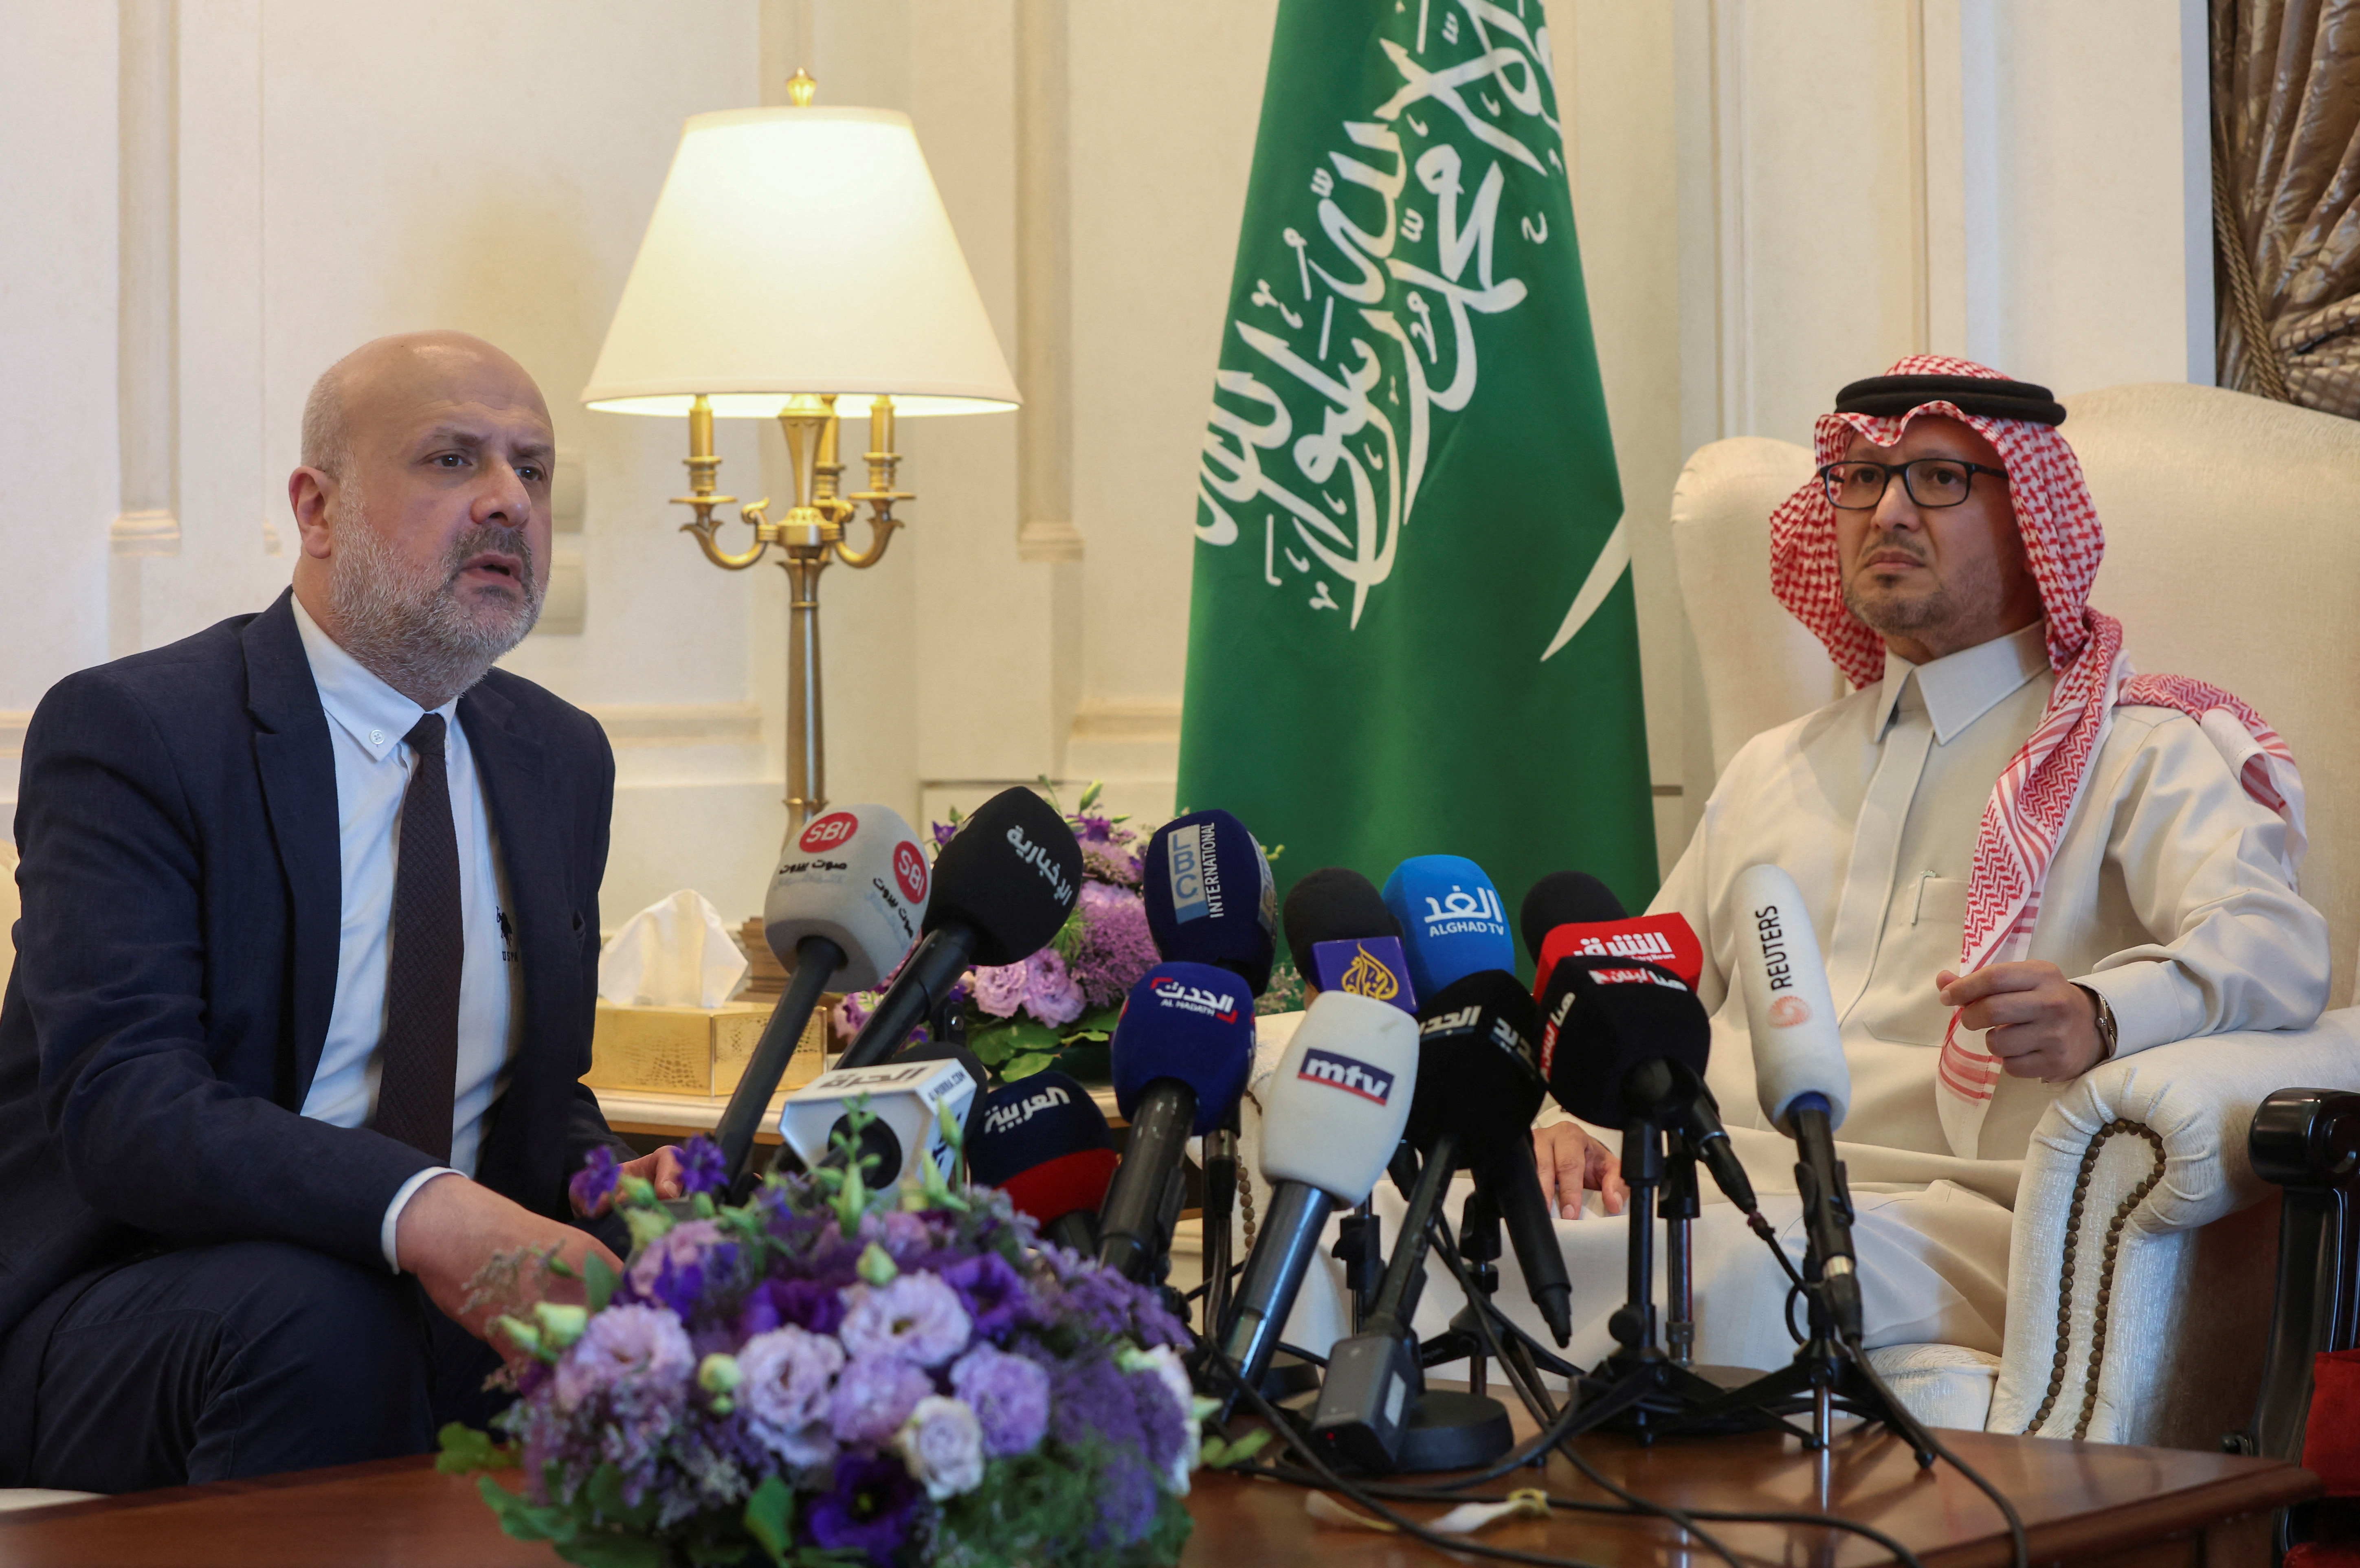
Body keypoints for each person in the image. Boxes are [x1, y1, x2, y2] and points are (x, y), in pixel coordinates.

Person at [1521, 355, 2327, 1372]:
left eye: (1937, 478)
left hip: (1946, 1216)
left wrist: (2102, 1010)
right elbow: (1639, 986)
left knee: (1707, 1278)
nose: (1886, 510)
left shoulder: (2137, 749)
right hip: (1703, 1179)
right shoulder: (1775, 765)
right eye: (1860, 477)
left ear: (2031, 524)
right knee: (1398, 1221)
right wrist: (1567, 1119)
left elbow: (2279, 947)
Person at [0, 332, 688, 1492]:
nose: (508, 503)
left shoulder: (557, 758)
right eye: (451, 460)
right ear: (317, 510)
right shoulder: (140, 733)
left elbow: (534, 1098)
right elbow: (128, 1106)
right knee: (321, 1317)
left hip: (407, 1294)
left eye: (532, 468)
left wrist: (635, 1210)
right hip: (124, 1294)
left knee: (709, 1313)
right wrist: (425, 1212)